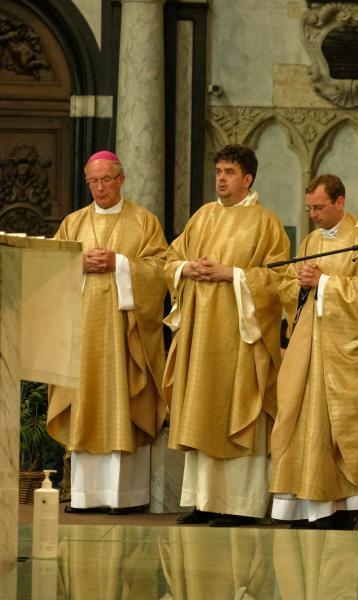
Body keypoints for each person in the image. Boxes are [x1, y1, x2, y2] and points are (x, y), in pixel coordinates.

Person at [164, 144, 290, 526]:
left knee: (237, 411)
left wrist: (231, 274)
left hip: (240, 339)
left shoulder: (266, 223)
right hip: (200, 336)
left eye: (229, 172)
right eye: (218, 171)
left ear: (247, 178)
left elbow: (278, 279)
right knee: (202, 410)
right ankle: (204, 501)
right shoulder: (202, 216)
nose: (221, 178)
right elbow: (169, 259)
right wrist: (186, 269)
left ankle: (239, 505)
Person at [270, 174, 358, 530]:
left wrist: (324, 282)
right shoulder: (311, 240)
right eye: (309, 207)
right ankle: (308, 504)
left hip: (345, 356)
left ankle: (342, 505)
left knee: (339, 429)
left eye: (319, 207)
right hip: (309, 350)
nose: (313, 214)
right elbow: (287, 286)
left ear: (340, 202)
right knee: (303, 423)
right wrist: (298, 283)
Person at [47, 150, 168, 514]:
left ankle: (124, 497)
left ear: (121, 179)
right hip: (82, 333)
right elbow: (49, 267)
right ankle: (85, 497)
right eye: (93, 181)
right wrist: (76, 262)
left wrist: (121, 264)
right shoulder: (74, 223)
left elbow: (160, 268)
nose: (99, 188)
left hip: (124, 336)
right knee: (84, 401)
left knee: (122, 401)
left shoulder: (144, 221)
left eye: (105, 180)